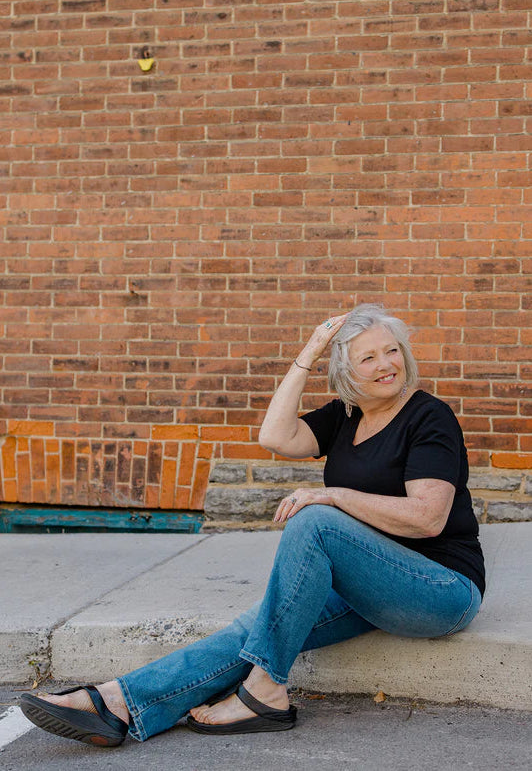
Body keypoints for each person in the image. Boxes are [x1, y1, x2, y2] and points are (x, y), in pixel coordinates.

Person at [20, 303, 485, 746]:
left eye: (392, 351)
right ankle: (119, 703)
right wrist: (309, 353)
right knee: (258, 628)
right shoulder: (346, 416)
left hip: (440, 589)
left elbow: (428, 518)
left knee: (316, 520)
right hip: (371, 586)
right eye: (368, 358)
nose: (386, 364)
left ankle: (265, 690)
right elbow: (275, 436)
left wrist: (333, 495)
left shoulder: (429, 416)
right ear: (346, 373)